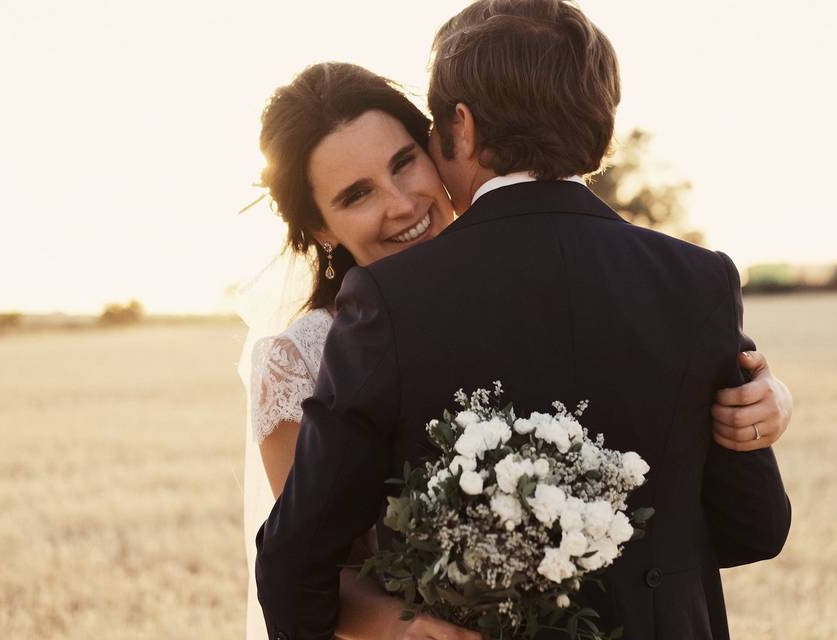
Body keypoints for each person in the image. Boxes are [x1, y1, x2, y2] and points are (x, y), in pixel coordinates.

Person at [244, 43, 793, 639]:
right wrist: (399, 628)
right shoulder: (305, 358)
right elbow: (310, 563)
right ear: (321, 227)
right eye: (357, 194)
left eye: (405, 162)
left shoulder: (554, 285)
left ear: (442, 145)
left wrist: (760, 406)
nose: (401, 205)